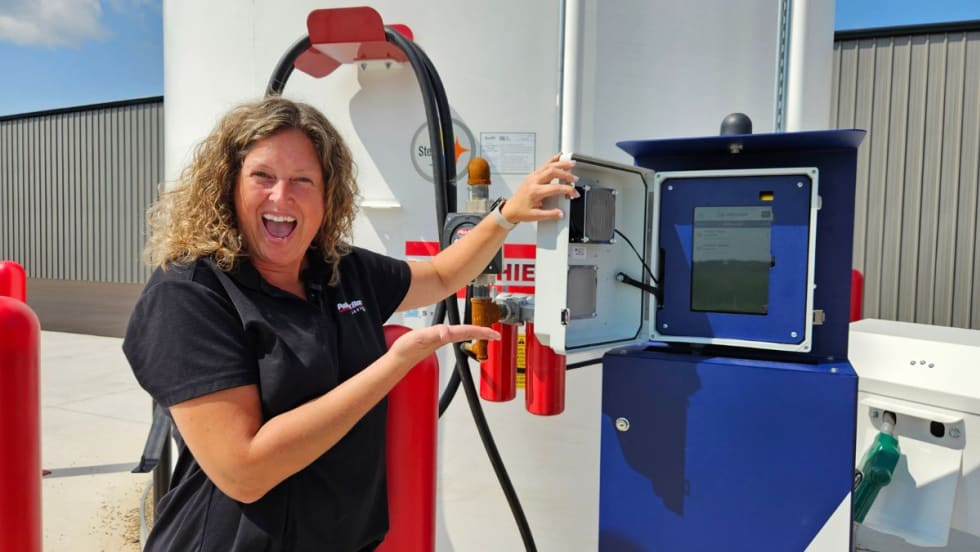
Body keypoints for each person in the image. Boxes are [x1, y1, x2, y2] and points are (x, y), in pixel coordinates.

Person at [122, 96, 578, 551]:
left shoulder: (340, 270)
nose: (281, 196)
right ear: (229, 186)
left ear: (327, 197)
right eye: (263, 176)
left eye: (303, 180)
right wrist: (392, 365)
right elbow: (245, 472)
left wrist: (505, 215)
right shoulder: (190, 292)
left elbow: (441, 274)